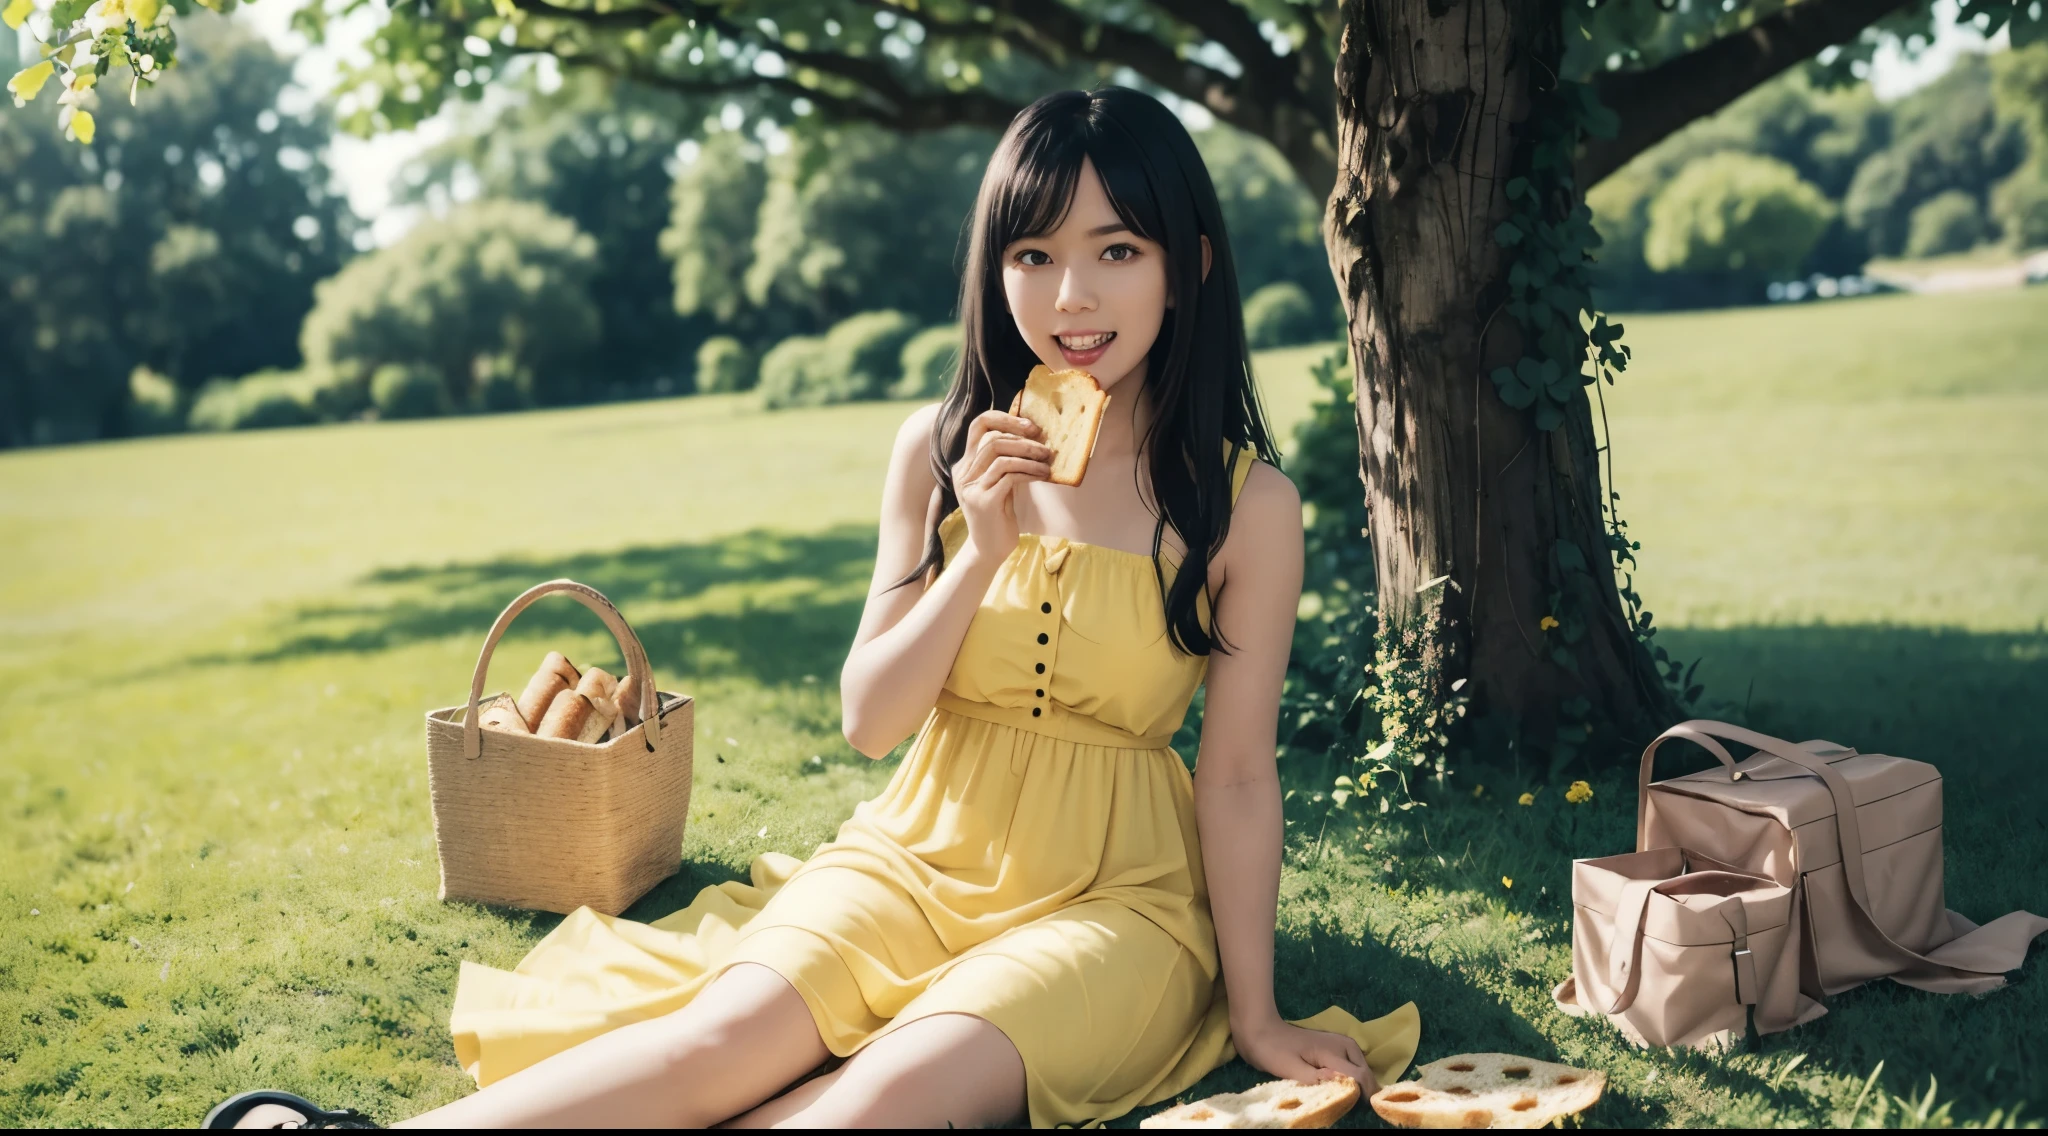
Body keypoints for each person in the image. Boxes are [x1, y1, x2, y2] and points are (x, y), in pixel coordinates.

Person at [207, 86, 1416, 1131]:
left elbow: (1239, 776)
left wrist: (1251, 1012)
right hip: (912, 849)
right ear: (994, 271)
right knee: (707, 1052)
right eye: (1031, 254)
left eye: (1115, 251)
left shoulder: (1243, 505)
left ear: (1188, 264)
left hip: (1118, 897)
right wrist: (977, 553)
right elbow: (868, 719)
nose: (1068, 296)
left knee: (873, 1100)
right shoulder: (937, 453)